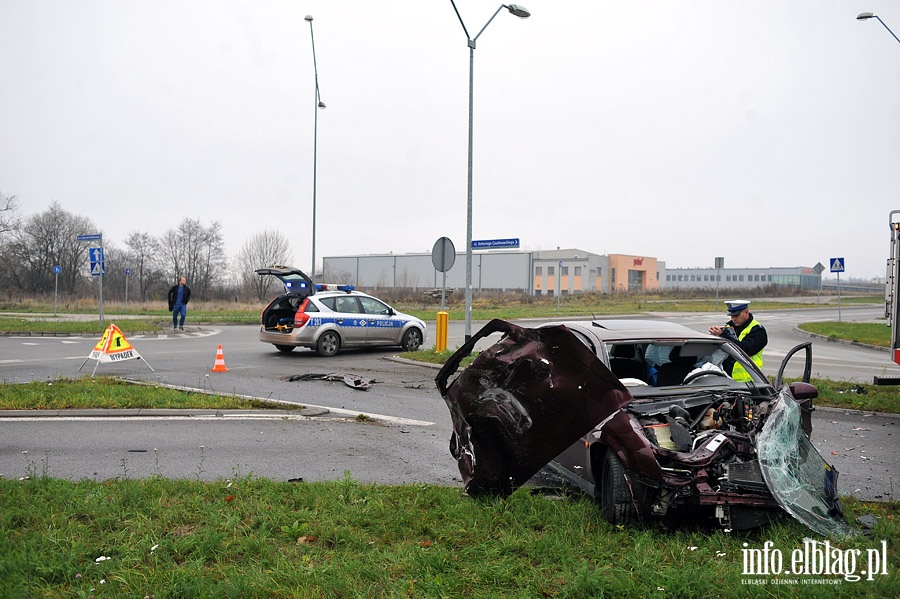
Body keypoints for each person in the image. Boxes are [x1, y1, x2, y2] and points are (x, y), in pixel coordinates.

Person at [709, 299, 767, 381]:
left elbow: (744, 350)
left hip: (750, 382)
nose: (733, 319)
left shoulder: (758, 330)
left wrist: (723, 336)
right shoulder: (730, 327)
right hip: (728, 380)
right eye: (731, 316)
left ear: (746, 312)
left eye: (736, 315)